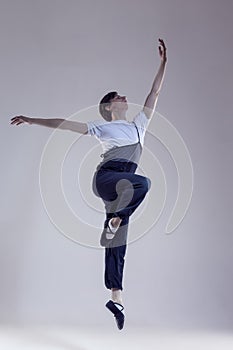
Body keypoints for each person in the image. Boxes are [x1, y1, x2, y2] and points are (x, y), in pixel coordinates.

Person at [10, 38, 167, 330]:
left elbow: (154, 92)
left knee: (118, 242)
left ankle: (116, 299)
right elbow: (65, 124)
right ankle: (117, 220)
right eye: (118, 97)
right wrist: (32, 120)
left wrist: (163, 63)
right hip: (108, 178)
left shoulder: (138, 125)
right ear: (108, 107)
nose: (124, 98)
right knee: (143, 183)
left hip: (123, 189)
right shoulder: (103, 126)